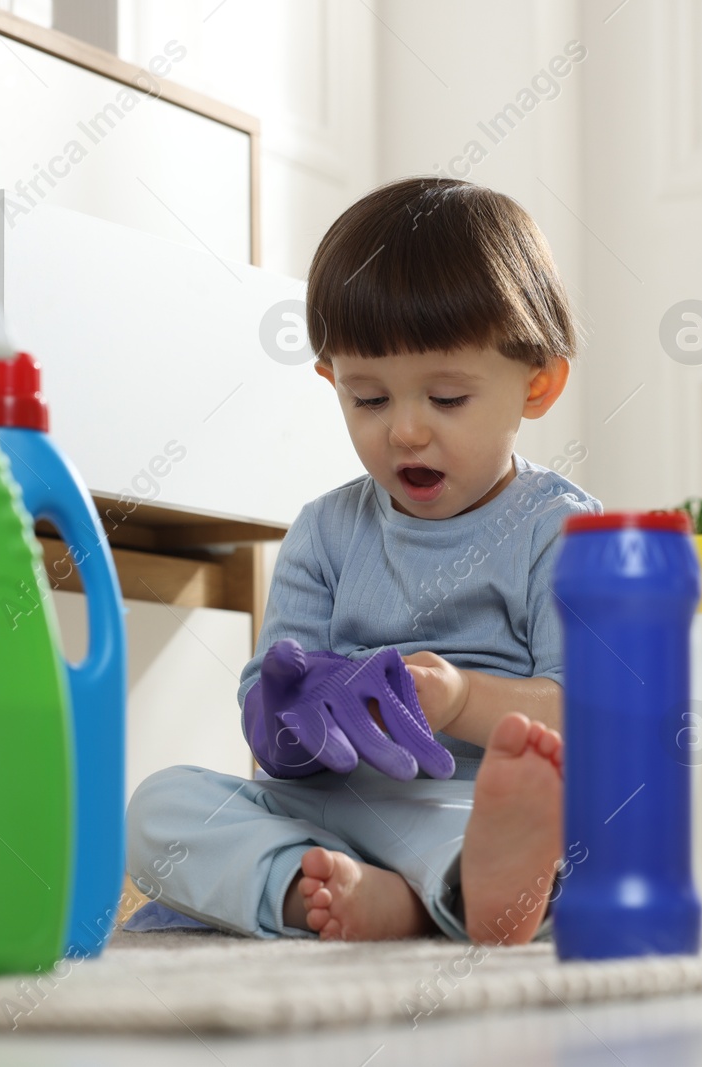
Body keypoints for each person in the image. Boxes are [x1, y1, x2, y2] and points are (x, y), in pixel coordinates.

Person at [125, 176, 600, 945]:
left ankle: (440, 893)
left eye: (446, 398)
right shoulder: (325, 531)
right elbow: (272, 740)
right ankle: (319, 890)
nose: (405, 431)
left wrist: (458, 700)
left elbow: (589, 713)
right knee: (159, 806)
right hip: (332, 809)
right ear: (331, 380)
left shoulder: (562, 531)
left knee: (563, 835)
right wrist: (285, 713)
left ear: (536, 383)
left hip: (472, 809)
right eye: (369, 398)